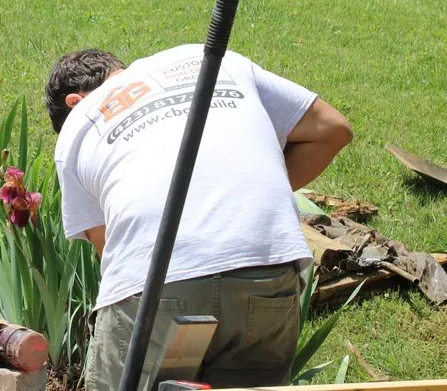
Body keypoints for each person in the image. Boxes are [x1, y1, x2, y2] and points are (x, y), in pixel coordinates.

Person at [45, 46, 352, 391]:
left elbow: (108, 245)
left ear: (74, 102)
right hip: (267, 268)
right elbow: (332, 129)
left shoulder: (80, 121)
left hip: (161, 281)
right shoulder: (214, 60)